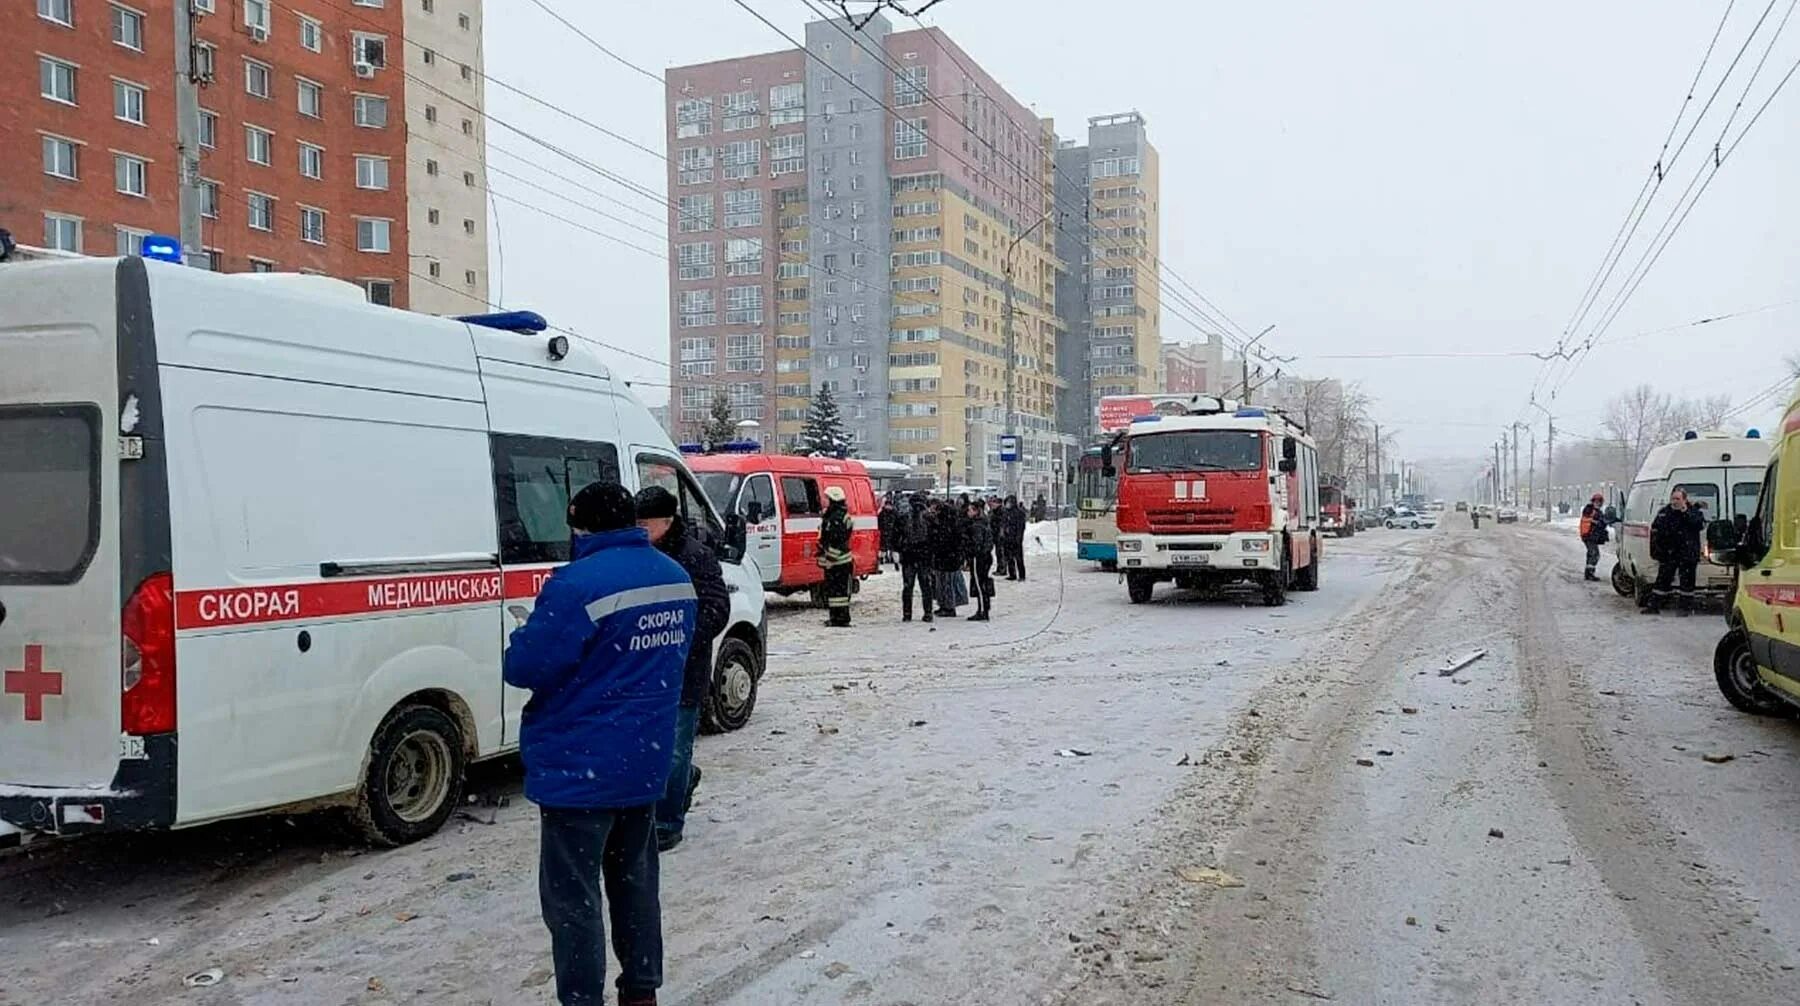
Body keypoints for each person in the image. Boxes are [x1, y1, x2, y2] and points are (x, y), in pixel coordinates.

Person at [503, 482, 698, 1006]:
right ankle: (641, 991)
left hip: (579, 769)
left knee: (573, 901)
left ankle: (582, 999)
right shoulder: (674, 577)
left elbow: (524, 667)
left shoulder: (575, 585)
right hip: (643, 763)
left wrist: (526, 633)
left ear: (582, 526)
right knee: (636, 887)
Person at [634, 487, 730, 853]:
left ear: (667, 520)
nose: (639, 528)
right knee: (648, 747)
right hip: (642, 672)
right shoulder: (636, 556)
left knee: (673, 749)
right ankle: (685, 779)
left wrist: (677, 638)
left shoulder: (694, 557)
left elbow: (716, 608)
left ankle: (667, 823)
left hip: (682, 672)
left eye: (645, 522)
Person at [1642, 487, 1706, 615]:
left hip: (1688, 553)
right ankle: (1653, 606)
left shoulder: (1694, 512)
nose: (1675, 501)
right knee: (1662, 580)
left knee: (1687, 583)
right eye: (1673, 499)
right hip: (1669, 553)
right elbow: (1656, 529)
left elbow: (1699, 525)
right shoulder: (1665, 512)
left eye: (1678, 499)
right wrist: (1658, 549)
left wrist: (1685, 512)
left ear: (1684, 500)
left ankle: (1684, 608)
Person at [817, 485, 855, 627]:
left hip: (839, 561)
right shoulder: (839, 515)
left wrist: (830, 559)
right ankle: (837, 617)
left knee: (837, 592)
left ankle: (840, 618)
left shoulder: (836, 517)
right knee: (837, 592)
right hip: (840, 560)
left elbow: (838, 540)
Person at [899, 492, 937, 623]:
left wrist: (901, 550)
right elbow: (935, 538)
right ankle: (927, 613)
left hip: (911, 556)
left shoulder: (904, 517)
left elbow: (896, 536)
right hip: (921, 556)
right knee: (925, 586)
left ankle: (908, 614)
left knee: (909, 586)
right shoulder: (929, 518)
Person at [930, 499, 965, 617]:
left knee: (946, 583)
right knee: (943, 583)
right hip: (947, 558)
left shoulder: (945, 526)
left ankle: (948, 607)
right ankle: (945, 605)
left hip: (947, 558)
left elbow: (944, 541)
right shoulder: (952, 524)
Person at [964, 499, 995, 620]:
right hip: (984, 557)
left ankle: (983, 610)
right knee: (982, 583)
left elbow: (977, 543)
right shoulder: (983, 522)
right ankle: (984, 608)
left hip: (979, 558)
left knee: (979, 584)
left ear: (976, 511)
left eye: (970, 510)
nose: (968, 512)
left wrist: (972, 553)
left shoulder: (977, 525)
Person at [1578, 492, 1612, 582]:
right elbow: (1586, 519)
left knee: (1592, 554)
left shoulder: (1598, 512)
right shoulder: (1589, 509)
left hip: (1592, 536)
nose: (1598, 503)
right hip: (1588, 536)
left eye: (1600, 502)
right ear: (1593, 502)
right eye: (1596, 501)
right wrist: (1595, 521)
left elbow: (1602, 522)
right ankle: (1589, 573)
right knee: (1594, 554)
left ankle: (1589, 573)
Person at [1001, 496, 1029, 581]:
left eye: (1009, 502)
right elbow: (1004, 524)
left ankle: (1022, 575)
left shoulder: (1019, 513)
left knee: (1018, 558)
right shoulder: (1006, 513)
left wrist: (1018, 538)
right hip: (1007, 539)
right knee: (1009, 558)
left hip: (1016, 539)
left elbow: (1021, 527)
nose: (1008, 504)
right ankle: (1012, 574)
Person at [877, 494, 899, 569]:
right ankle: (893, 562)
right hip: (891, 533)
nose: (888, 507)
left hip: (887, 533)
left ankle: (882, 559)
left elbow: (879, 523)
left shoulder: (882, 513)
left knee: (884, 547)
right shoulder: (894, 513)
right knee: (891, 548)